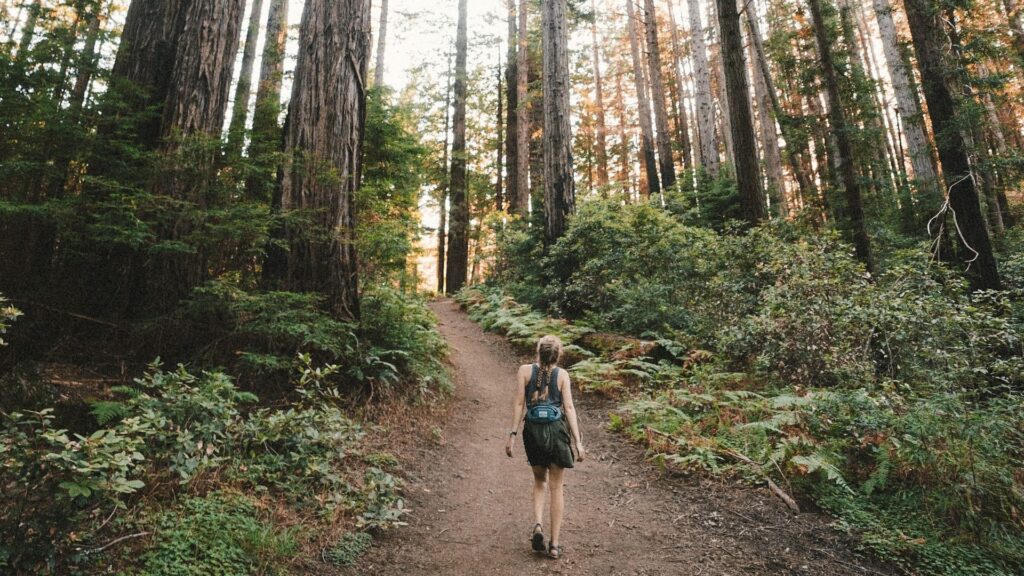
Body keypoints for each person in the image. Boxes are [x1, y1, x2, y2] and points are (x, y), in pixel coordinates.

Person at [504, 335, 585, 559]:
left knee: (540, 481)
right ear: (558, 355)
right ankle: (554, 545)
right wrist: (578, 442)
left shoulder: (524, 371)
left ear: (538, 352)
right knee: (556, 488)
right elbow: (568, 408)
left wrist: (512, 434)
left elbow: (520, 404)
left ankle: (538, 524)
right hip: (556, 433)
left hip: (533, 433)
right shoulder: (562, 375)